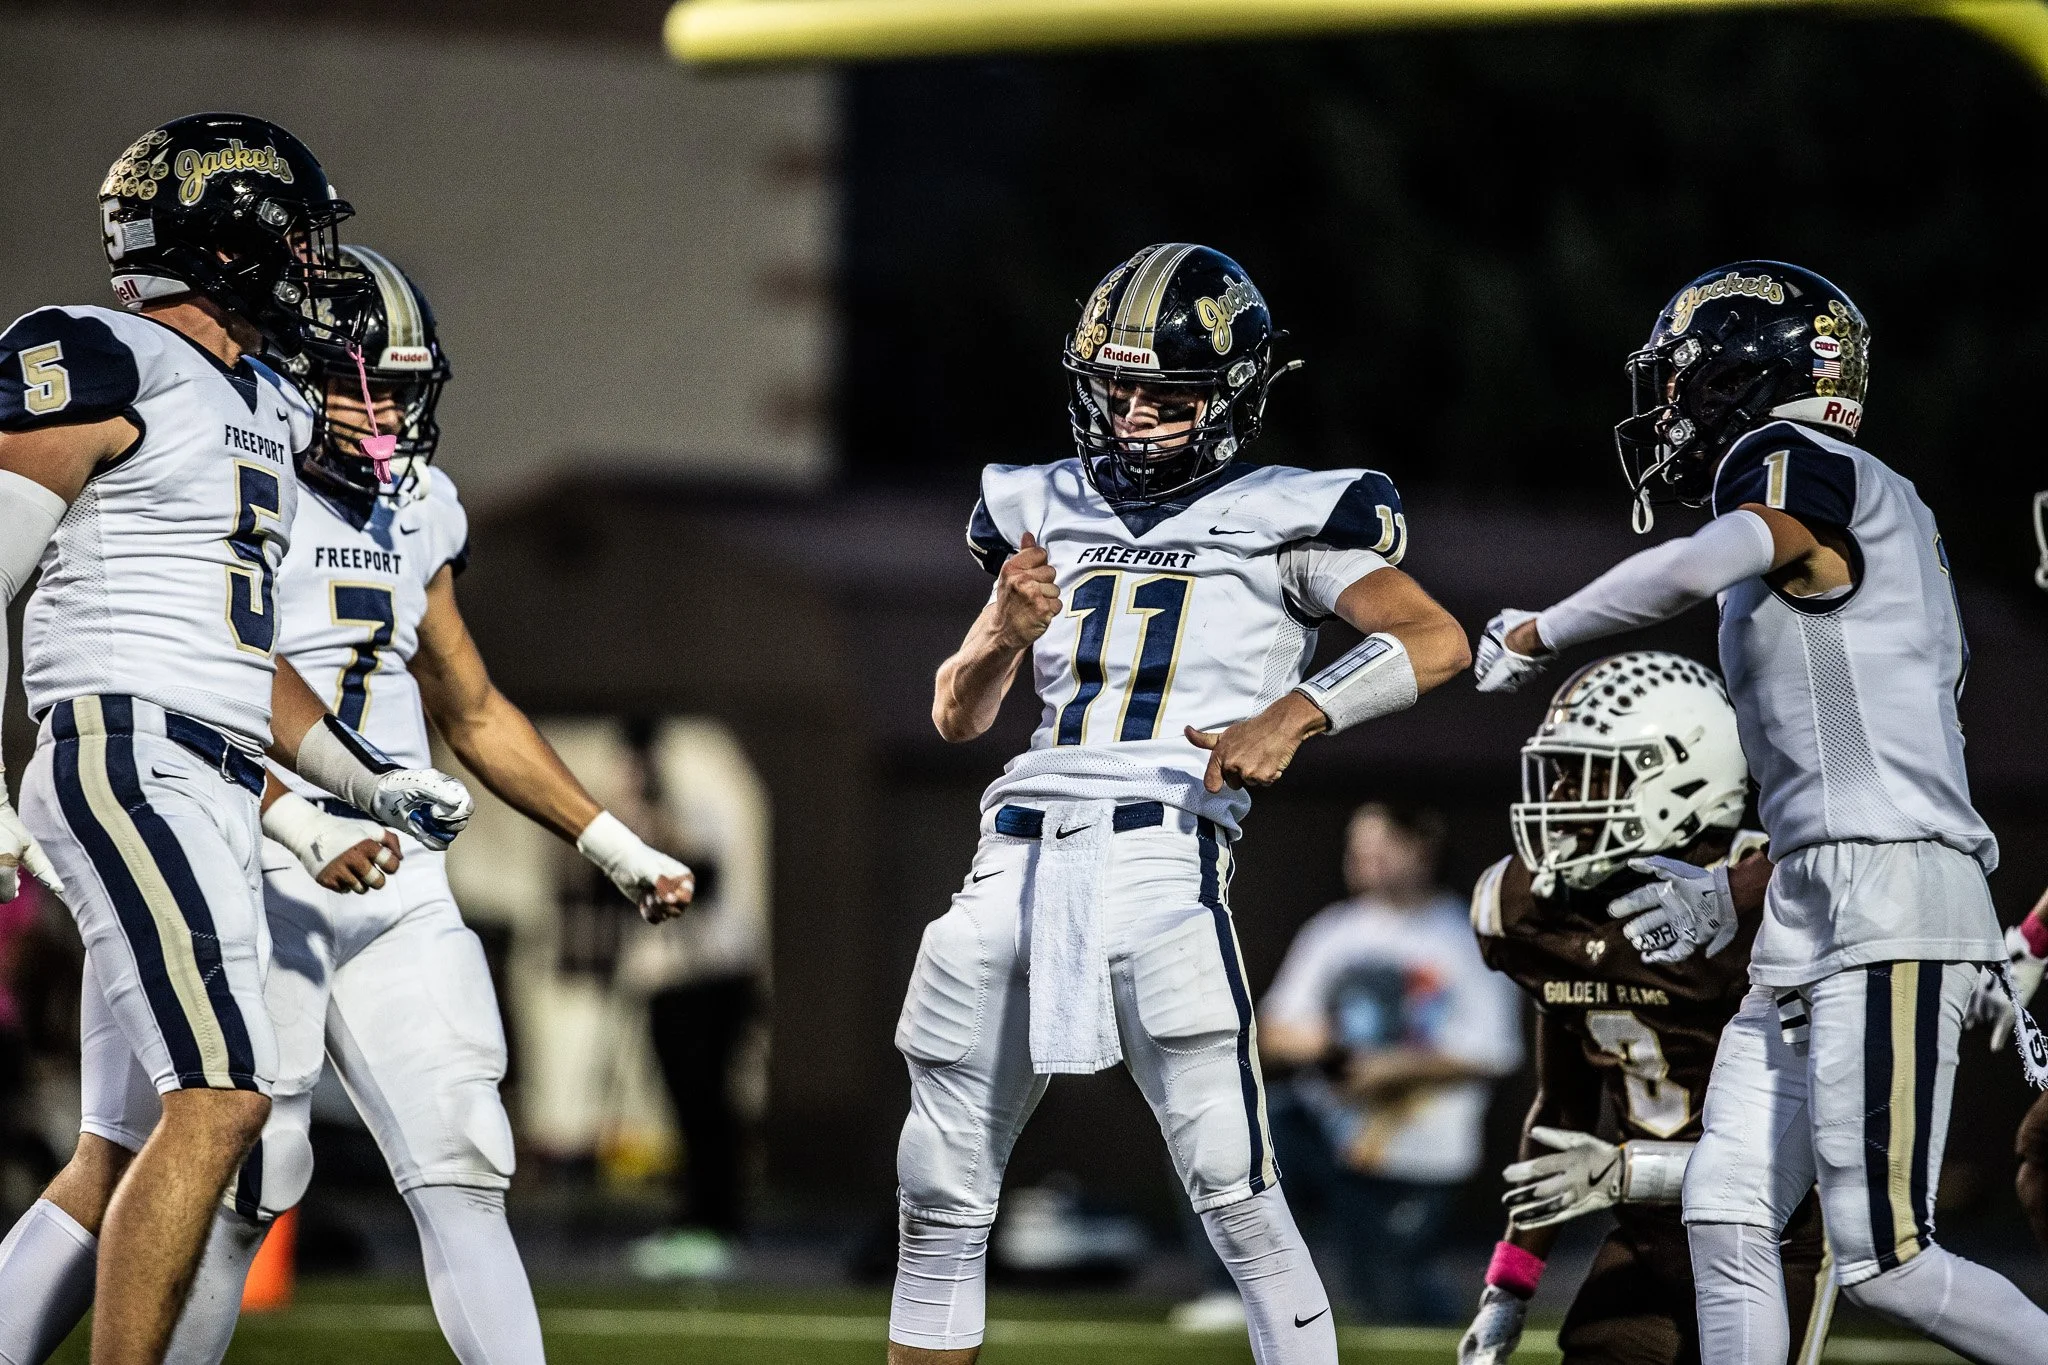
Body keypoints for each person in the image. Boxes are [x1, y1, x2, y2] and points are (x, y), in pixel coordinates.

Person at [887, 242, 1471, 1365]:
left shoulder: (1289, 511)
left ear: (1231, 396)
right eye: (1120, 388)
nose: (1138, 414)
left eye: (1168, 393)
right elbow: (954, 719)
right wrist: (1002, 638)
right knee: (937, 1192)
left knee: (1233, 1190)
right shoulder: (1031, 501)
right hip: (1008, 858)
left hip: (1161, 854)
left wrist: (1292, 715)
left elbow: (1432, 637)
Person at [1473, 260, 2048, 1364]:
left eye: (1689, 378)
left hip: (1888, 900)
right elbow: (1838, 760)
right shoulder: (1865, 511)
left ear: (1754, 375)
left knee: (1887, 1258)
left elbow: (1703, 560)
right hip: (1819, 897)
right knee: (1727, 1212)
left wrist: (1537, 630)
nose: (1675, 408)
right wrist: (1746, 878)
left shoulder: (1796, 466)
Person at [146, 246, 694, 1364]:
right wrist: (293, 817)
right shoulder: (226, 477)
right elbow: (198, 676)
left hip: (399, 885)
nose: (379, 409)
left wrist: (611, 843)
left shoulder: (421, 508)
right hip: (259, 863)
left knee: (465, 1160)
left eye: (397, 384)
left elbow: (474, 708)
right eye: (353, 381)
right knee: (251, 1174)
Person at [0, 114, 474, 1365]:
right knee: (223, 1101)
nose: (318, 270)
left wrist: (361, 784)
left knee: (124, 1142)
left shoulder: (258, 396)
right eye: (300, 242)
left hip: (212, 769)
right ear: (231, 243)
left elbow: (237, 659)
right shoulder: (96, 354)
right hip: (127, 749)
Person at [1457, 651, 1830, 1365]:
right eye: (1562, 769)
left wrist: (1627, 1169)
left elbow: (1806, 1145)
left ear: (1683, 778)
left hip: (1772, 1232)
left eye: (1591, 773)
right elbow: (1562, 1112)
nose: (1563, 795)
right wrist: (1508, 1288)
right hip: (1649, 1233)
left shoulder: (1771, 904)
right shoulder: (1535, 910)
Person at [1242, 802, 1520, 1325]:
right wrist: (1318, 1047)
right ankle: (1232, 1290)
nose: (1362, 860)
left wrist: (1392, 1069)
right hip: (1329, 1131)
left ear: (1420, 848)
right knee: (1244, 1133)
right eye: (1356, 849)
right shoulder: (1333, 931)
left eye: (1380, 847)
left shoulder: (1462, 937)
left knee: (1393, 1302)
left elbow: (1493, 1052)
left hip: (1415, 1150)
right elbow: (1274, 1029)